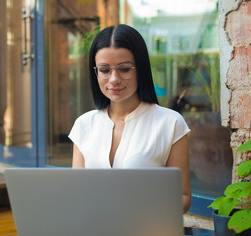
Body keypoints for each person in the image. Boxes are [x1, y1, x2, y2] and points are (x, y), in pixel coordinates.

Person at [68, 24, 191, 213]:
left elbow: (182, 197)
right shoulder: (83, 125)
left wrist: (142, 213)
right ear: (96, 73)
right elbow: (76, 194)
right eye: (104, 70)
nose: (114, 79)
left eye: (124, 69)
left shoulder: (170, 123)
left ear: (140, 69)